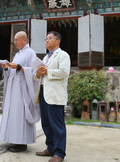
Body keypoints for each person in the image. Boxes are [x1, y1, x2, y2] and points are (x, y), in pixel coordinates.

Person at [0, 31, 40, 152]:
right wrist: (6, 68)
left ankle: (22, 143)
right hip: (14, 87)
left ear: (24, 40)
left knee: (20, 114)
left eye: (17, 40)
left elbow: (34, 71)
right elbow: (14, 69)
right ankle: (13, 139)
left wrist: (19, 67)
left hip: (22, 89)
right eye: (14, 40)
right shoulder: (18, 54)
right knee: (13, 113)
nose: (15, 42)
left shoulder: (30, 53)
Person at [35, 31, 71, 162]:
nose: (46, 41)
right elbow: (40, 74)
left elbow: (64, 72)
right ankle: (50, 148)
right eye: (46, 39)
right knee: (46, 123)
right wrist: (38, 73)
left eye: (49, 38)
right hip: (44, 93)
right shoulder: (46, 57)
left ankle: (59, 153)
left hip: (55, 94)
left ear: (58, 41)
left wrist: (47, 71)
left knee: (57, 125)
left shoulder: (63, 55)